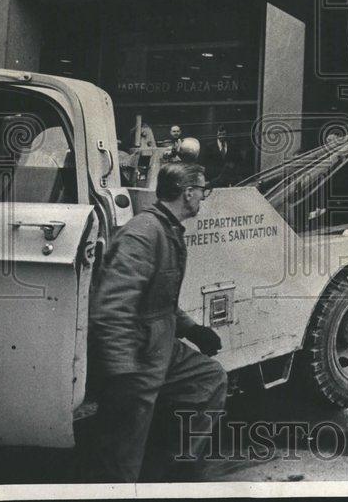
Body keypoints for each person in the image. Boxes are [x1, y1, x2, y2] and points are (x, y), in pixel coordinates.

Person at [86, 162, 226, 482]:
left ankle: (176, 471)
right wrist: (122, 370)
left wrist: (192, 329)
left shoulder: (169, 229)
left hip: (160, 342)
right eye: (202, 191)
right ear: (188, 193)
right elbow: (110, 309)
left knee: (209, 378)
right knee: (123, 454)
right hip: (139, 352)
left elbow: (159, 300)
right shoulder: (144, 233)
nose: (203, 198)